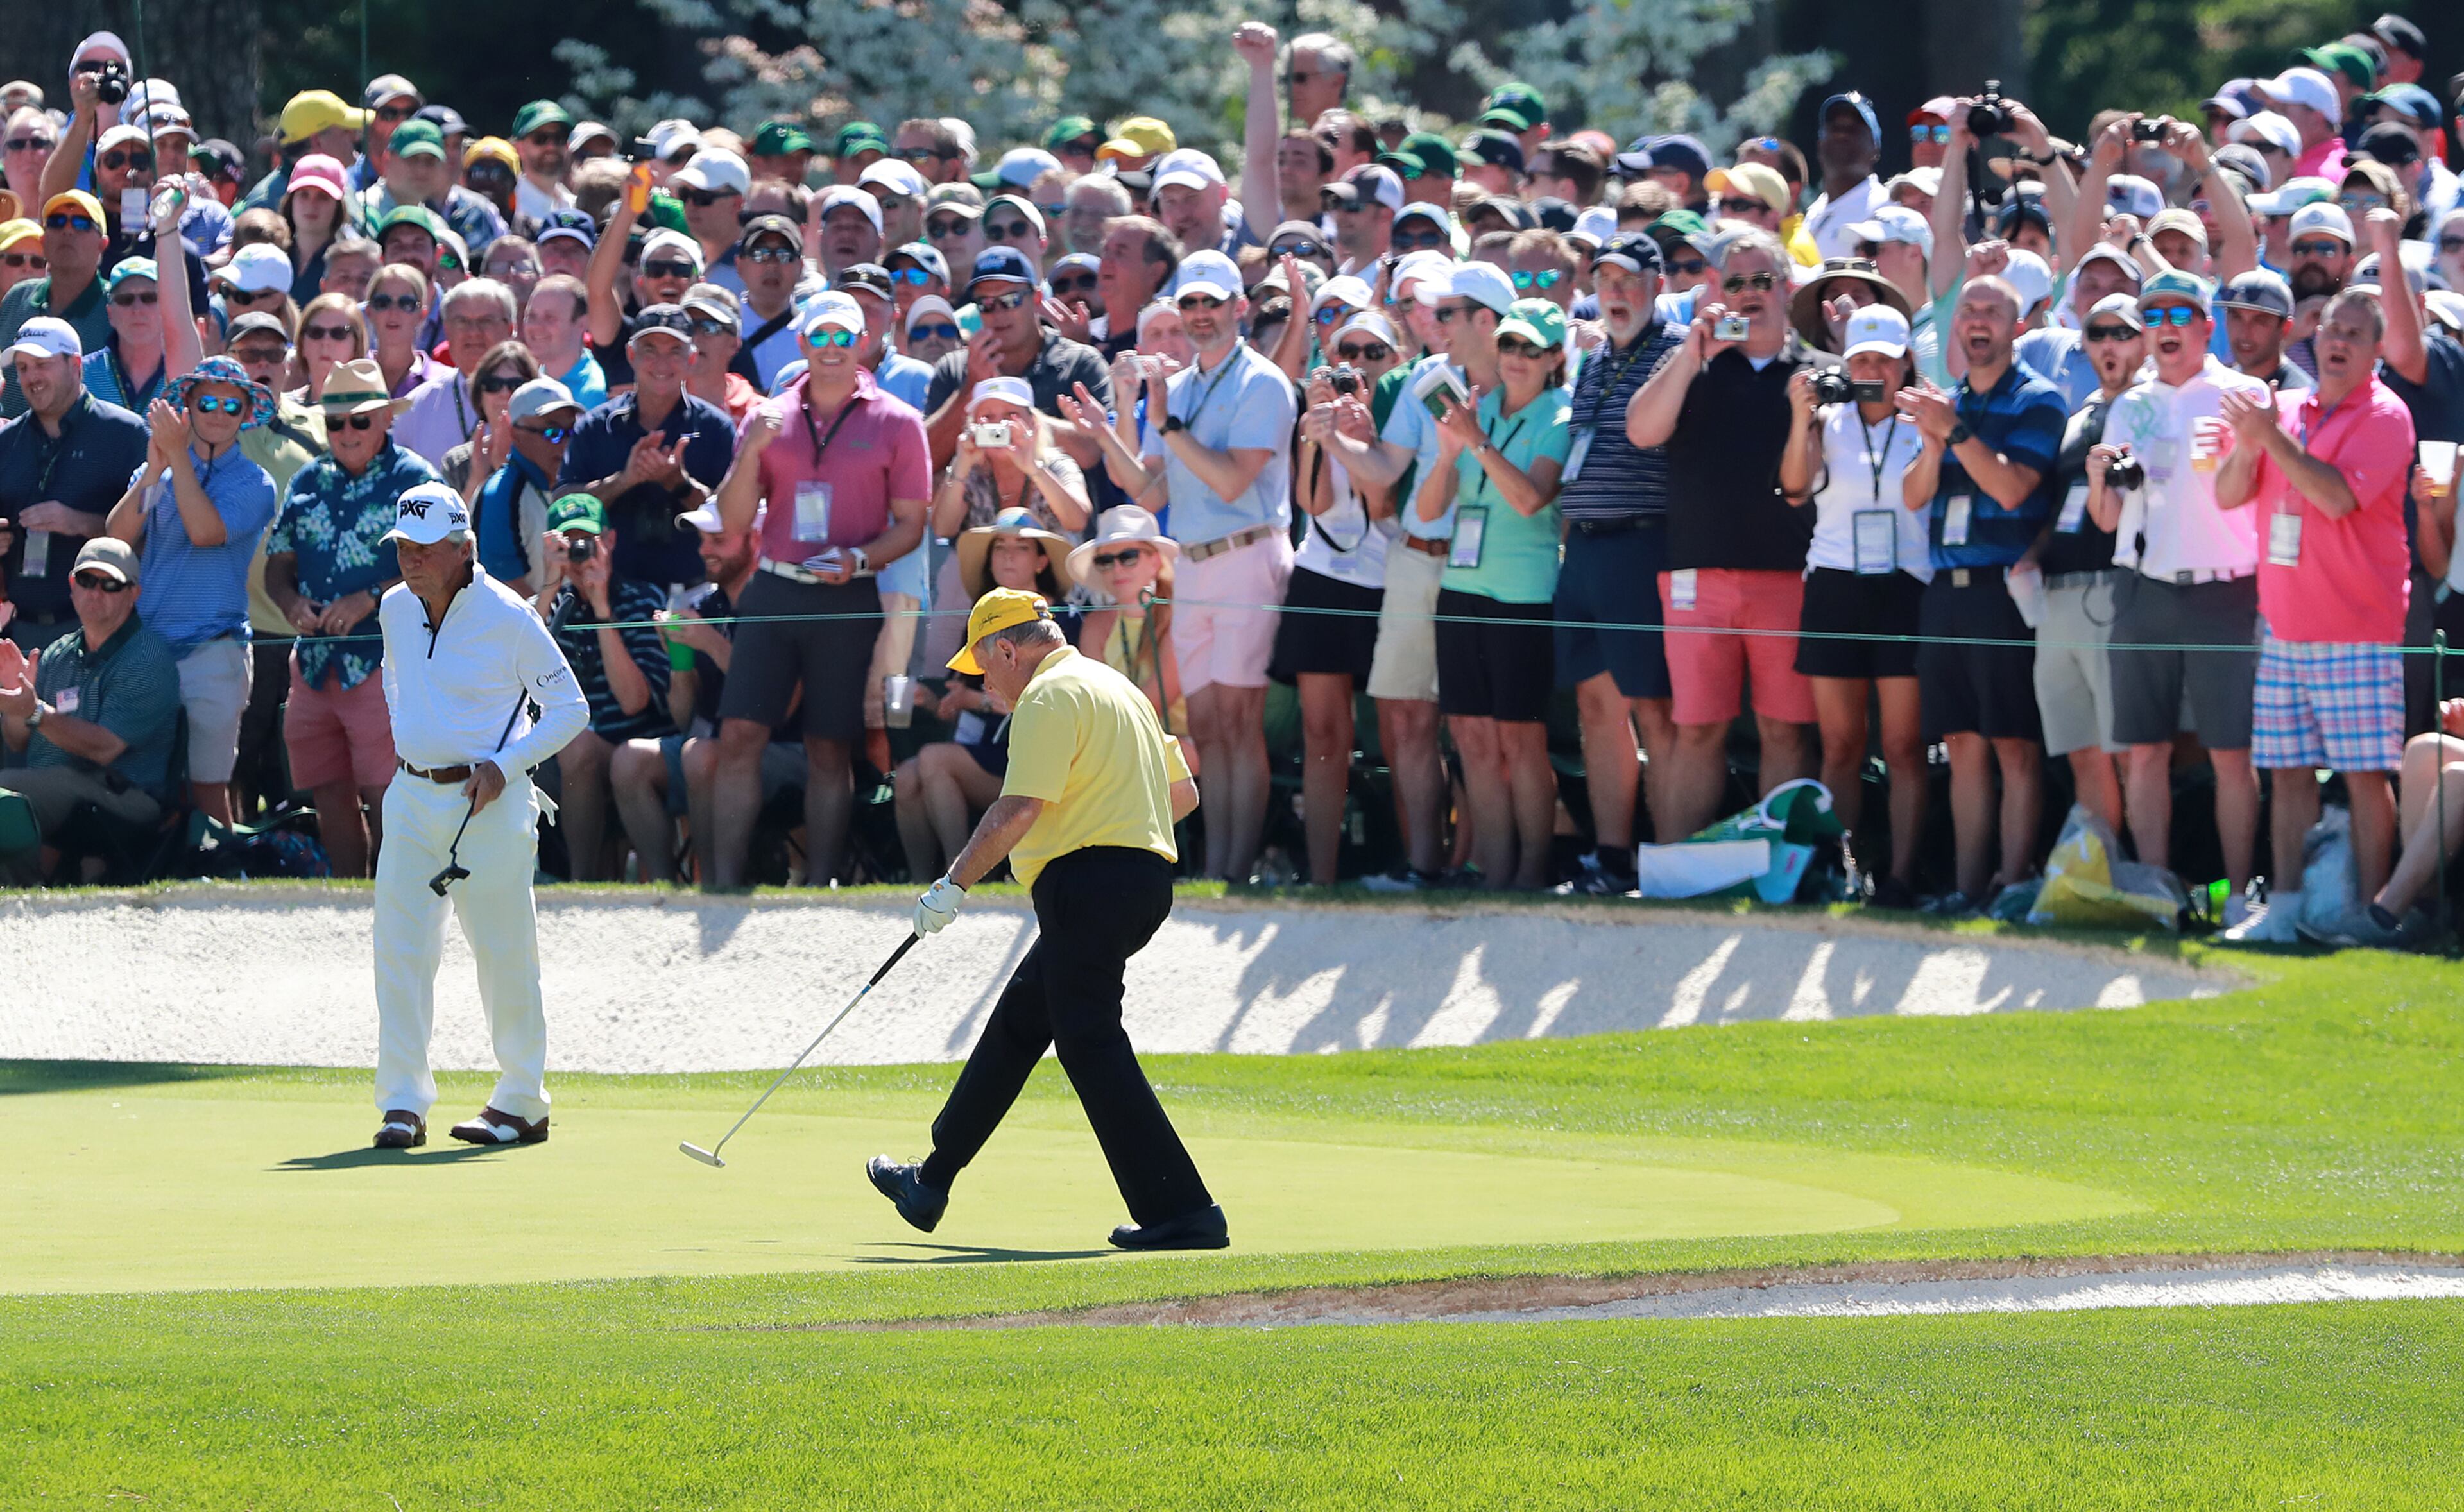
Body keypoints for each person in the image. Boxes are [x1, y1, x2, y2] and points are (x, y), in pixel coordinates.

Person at [871, 587, 1222, 1253]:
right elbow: (1182, 794)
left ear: (1007, 648)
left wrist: (953, 885)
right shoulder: (1120, 688)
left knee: (1088, 1040)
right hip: (1139, 881)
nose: (990, 689)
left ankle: (1183, 1210)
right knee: (1023, 1018)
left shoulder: (1047, 695)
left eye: (984, 669)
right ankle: (931, 1181)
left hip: (1086, 883)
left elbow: (1019, 807)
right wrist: (1113, 818)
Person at [368, 482, 586, 1150]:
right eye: (403, 546)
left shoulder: (511, 616)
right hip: (410, 797)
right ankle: (403, 1102)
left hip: (488, 803)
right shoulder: (395, 607)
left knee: (504, 954)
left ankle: (522, 1100)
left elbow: (570, 709)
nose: (411, 559)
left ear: (463, 548)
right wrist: (411, 739)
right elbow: (395, 676)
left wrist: (505, 765)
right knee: (399, 952)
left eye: (426, 548)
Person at [1070, 250, 1294, 881]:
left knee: (1238, 722)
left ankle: (1234, 867)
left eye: (1211, 302)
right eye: (1190, 303)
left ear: (1239, 307)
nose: (1200, 315)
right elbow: (1148, 493)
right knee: (1212, 726)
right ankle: (1218, 866)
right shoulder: (1184, 385)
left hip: (1248, 554)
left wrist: (1163, 421)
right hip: (1194, 565)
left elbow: (1230, 482)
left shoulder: (1263, 382)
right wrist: (1117, 416)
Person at [2213, 287, 2415, 943]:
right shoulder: (2289, 409)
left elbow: (2332, 498)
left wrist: (2266, 433)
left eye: (2356, 334)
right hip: (2285, 625)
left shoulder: (2387, 415)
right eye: (2333, 328)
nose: (2339, 341)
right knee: (2288, 772)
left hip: (2356, 626)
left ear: (2377, 351)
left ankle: (2365, 912)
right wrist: (2250, 445)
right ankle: (2290, 905)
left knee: (2363, 774)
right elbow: (2232, 494)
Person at [710, 293, 930, 888]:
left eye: (844, 337)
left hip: (847, 593)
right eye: (821, 337)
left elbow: (912, 523)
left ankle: (819, 890)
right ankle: (721, 888)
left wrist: (860, 558)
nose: (832, 348)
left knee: (830, 746)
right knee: (738, 737)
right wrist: (752, 445)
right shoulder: (768, 417)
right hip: (775, 590)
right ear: (803, 343)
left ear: (862, 343)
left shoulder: (898, 422)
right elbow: (732, 522)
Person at [2089, 269, 2274, 921]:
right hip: (2142, 588)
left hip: (2224, 591)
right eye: (2154, 316)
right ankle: (2155, 891)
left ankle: (2239, 893)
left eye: (2179, 313)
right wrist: (2096, 480)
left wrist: (2242, 448)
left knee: (2231, 751)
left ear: (2205, 326)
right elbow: (2107, 518)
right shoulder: (2127, 404)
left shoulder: (2243, 393)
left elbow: (2249, 494)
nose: (2165, 326)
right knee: (2144, 749)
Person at [1624, 228, 1818, 842]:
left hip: (1787, 576)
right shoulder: (1693, 360)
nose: (1750, 294)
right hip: (1696, 575)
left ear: (1787, 289)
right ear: (1715, 290)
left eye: (1763, 280)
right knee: (1697, 729)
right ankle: (1679, 872)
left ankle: (1780, 870)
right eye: (1735, 282)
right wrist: (1690, 354)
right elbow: (1641, 431)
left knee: (1784, 728)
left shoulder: (1818, 371)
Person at [1901, 278, 2065, 912]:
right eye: (1968, 310)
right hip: (1946, 590)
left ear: (2016, 327)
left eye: (1992, 312)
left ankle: (2013, 880)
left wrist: (1956, 432)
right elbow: (1915, 496)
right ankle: (1968, 888)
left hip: (2004, 591)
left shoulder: (2040, 400)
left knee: (2014, 744)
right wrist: (1936, 440)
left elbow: (2013, 488)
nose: (1977, 321)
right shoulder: (1950, 403)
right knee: (1963, 744)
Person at [1779, 307, 1933, 907]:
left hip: (1905, 584)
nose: (1872, 370)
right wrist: (1800, 419)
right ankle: (1838, 870)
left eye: (1883, 359)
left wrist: (1938, 435)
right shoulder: (1829, 419)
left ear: (1905, 363)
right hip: (1836, 583)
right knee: (1841, 743)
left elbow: (1923, 496)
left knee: (1902, 746)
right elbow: (1795, 489)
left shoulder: (1924, 421)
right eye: (1861, 359)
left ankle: (1902, 875)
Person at [1416, 297, 1571, 890]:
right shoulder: (1478, 411)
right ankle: (1496, 870)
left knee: (1520, 738)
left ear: (1556, 358)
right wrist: (1450, 452)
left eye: (1532, 349)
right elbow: (1431, 510)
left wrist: (1476, 439)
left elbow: (1532, 499)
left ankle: (1532, 872)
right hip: (1461, 590)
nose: (1516, 358)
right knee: (1473, 738)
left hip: (1523, 597)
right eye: (1509, 344)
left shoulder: (1559, 415)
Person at [264, 357, 437, 878]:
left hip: (387, 663)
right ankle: (346, 898)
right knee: (328, 788)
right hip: (315, 663)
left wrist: (369, 597)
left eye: (360, 419)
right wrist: (291, 604)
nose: (346, 432)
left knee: (387, 788)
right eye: (336, 422)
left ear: (386, 419)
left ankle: (394, 893)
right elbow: (278, 567)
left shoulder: (417, 481)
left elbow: (448, 565)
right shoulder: (307, 480)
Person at [1552, 233, 1687, 894]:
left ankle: (1666, 857)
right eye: (1605, 280)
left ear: (1657, 284)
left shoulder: (1677, 350)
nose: (1616, 293)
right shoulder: (1597, 356)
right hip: (1585, 549)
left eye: (1629, 280)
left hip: (1643, 545)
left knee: (1654, 710)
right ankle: (1613, 857)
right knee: (1597, 706)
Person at [100, 357, 280, 826]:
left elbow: (205, 531)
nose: (218, 414)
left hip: (213, 651)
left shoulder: (256, 482)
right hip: (151, 648)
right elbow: (116, 538)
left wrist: (176, 458)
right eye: (207, 403)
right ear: (190, 407)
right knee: (140, 774)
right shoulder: (161, 468)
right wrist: (153, 469)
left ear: (245, 415)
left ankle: (218, 873)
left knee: (207, 784)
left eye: (231, 406)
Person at [1272, 325, 1401, 887]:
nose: (1359, 366)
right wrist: (1318, 433)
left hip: (1390, 579)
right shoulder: (1318, 421)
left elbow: (1385, 501)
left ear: (1396, 359)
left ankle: (1418, 866)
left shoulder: (1403, 408)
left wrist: (1361, 439)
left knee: (1405, 731)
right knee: (1323, 734)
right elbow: (1315, 503)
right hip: (1323, 577)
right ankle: (1321, 877)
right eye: (1348, 355)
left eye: (1375, 353)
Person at [894, 509, 1075, 880]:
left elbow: (1047, 700)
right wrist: (939, 703)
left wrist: (972, 701)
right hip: (993, 749)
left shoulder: (1064, 623)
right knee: (908, 775)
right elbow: (978, 700)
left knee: (932, 760)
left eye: (1021, 548)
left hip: (1037, 755)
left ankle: (959, 877)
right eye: (1000, 547)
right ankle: (917, 882)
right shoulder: (986, 621)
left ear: (1042, 560)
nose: (1008, 556)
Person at [0, 539, 180, 885]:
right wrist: (14, 704)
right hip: (63, 791)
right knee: (10, 796)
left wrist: (35, 711)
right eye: (86, 581)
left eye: (110, 584)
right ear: (71, 586)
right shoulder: (59, 653)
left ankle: (27, 892)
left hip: (125, 798)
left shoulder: (146, 658)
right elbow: (17, 742)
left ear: (134, 593)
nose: (96, 592)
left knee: (8, 797)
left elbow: (105, 748)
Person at [2033, 294, 2146, 840]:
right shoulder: (2076, 417)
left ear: (2145, 341)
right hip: (2058, 593)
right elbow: (2057, 507)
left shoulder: (2152, 409)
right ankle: (2100, 872)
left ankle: (2144, 873)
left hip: (2117, 590)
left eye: (2122, 333)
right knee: (2082, 748)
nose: (2108, 344)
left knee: (2129, 751)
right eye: (2097, 333)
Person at [529, 493, 671, 881]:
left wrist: (602, 608)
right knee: (563, 749)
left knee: (580, 747)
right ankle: (576, 883)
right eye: (567, 544)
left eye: (586, 542)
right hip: (557, 761)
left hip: (630, 748)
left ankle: (588, 882)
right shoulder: (540, 607)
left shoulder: (643, 601)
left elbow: (633, 702)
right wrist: (549, 586)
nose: (579, 554)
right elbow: (512, 682)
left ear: (608, 541)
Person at [557, 305, 734, 592]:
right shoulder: (595, 427)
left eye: (675, 351)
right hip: (606, 595)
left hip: (695, 597)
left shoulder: (717, 429)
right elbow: (562, 510)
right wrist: (624, 481)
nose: (661, 363)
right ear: (631, 355)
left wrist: (680, 485)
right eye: (649, 349)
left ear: (691, 358)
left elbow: (733, 522)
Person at [1, 316, 148, 654]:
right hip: (19, 631)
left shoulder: (126, 435)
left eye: (42, 365)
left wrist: (80, 523)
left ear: (76, 365)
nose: (31, 378)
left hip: (102, 635)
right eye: (22, 368)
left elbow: (152, 539)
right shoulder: (6, 442)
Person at [0, 191, 112, 418]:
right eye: (56, 222)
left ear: (103, 244)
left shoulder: (119, 305)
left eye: (82, 223)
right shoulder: (17, 297)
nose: (67, 230)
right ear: (44, 240)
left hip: (88, 446)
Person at [467, 377, 582, 595]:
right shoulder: (500, 495)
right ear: (516, 433)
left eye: (572, 432)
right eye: (553, 433)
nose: (566, 444)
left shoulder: (573, 482)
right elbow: (502, 586)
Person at [393, 277, 515, 468]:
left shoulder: (536, 397)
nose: (474, 332)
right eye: (462, 322)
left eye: (486, 321)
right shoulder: (416, 407)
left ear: (510, 329)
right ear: (447, 331)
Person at [436, 339, 540, 497]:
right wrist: (478, 477)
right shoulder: (457, 464)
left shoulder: (549, 454)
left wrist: (507, 470)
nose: (505, 393)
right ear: (480, 396)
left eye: (516, 385)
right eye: (493, 384)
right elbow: (451, 520)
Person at [520, 273, 604, 411]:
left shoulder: (592, 393)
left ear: (582, 324)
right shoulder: (526, 379)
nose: (536, 326)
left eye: (550, 318)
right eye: (531, 316)